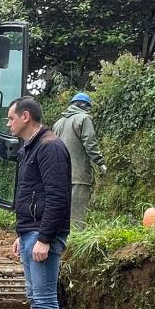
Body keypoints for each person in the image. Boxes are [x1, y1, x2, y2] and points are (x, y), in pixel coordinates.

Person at [3, 97, 72, 309]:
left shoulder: (50, 147)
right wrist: (23, 235)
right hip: (31, 233)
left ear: (25, 116)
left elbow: (57, 198)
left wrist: (44, 238)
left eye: (10, 118)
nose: (8, 123)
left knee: (45, 300)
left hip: (43, 235)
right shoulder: (32, 147)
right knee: (36, 298)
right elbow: (31, 194)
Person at [53, 92, 106, 228]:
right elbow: (90, 143)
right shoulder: (84, 119)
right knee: (77, 215)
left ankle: (59, 240)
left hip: (59, 175)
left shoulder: (58, 123)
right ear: (86, 106)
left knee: (60, 212)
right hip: (78, 174)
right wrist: (100, 163)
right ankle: (74, 243)